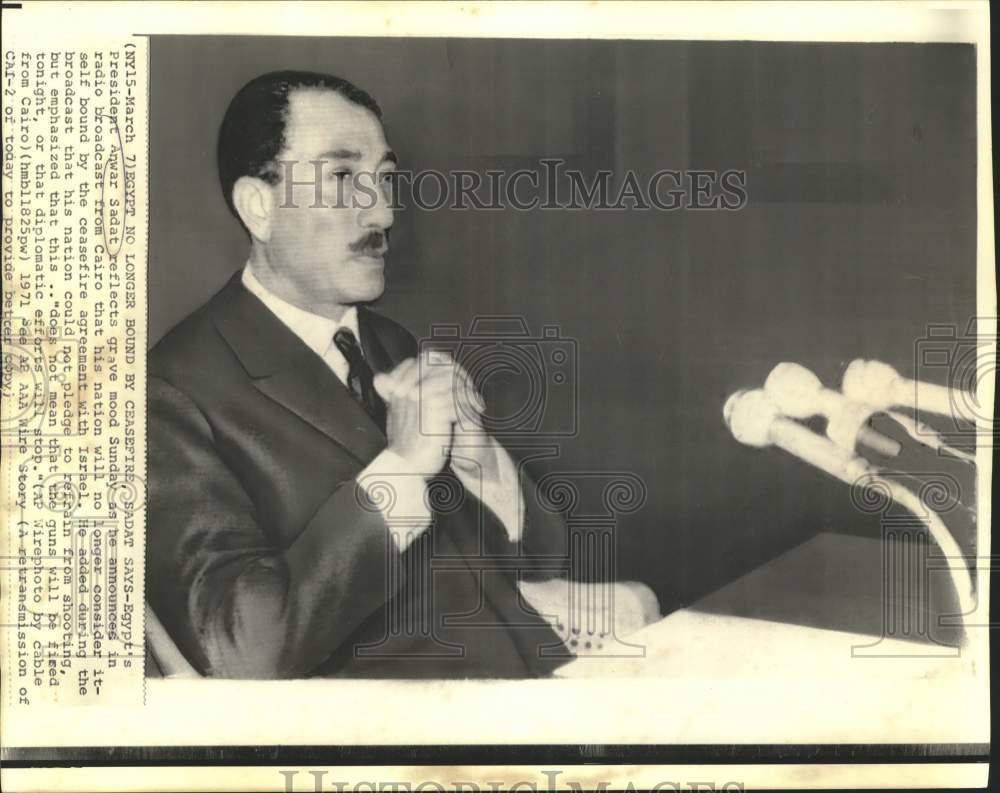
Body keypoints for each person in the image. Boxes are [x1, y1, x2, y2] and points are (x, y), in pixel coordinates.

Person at [146, 70, 572, 679]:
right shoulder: (169, 395)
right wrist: (401, 470)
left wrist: (480, 457)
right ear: (259, 207)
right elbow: (243, 649)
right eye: (343, 177)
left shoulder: (387, 342)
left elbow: (544, 556)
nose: (384, 210)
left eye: (386, 178)